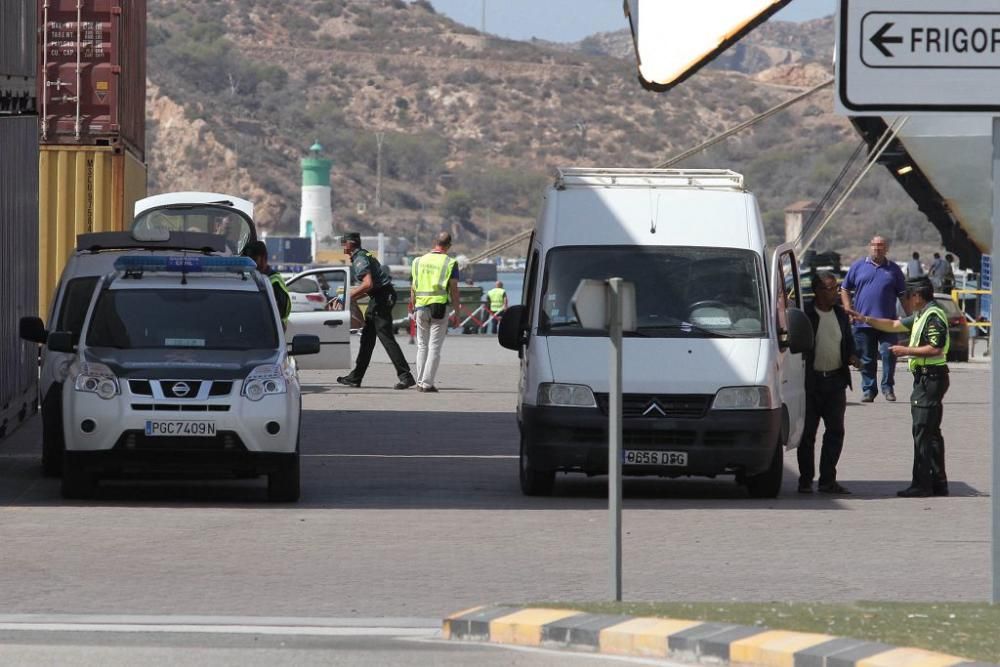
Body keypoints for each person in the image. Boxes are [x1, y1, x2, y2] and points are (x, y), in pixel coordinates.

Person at [846, 276, 950, 497]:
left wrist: (906, 351)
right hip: (927, 377)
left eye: (909, 296)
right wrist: (864, 318)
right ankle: (938, 481)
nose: (907, 302)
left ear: (918, 296)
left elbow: (936, 348)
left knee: (922, 431)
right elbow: (893, 325)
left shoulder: (933, 315)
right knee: (931, 432)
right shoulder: (922, 314)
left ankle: (922, 484)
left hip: (930, 378)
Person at [798, 272, 859, 495]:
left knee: (835, 432)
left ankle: (827, 480)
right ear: (818, 291)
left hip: (835, 382)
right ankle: (805, 480)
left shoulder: (841, 315)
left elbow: (849, 342)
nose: (836, 293)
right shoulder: (804, 314)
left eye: (836, 288)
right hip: (811, 384)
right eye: (831, 289)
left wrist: (853, 356)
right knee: (807, 435)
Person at [337, 233, 416, 390]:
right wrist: (352, 298)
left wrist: (346, 296)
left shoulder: (359, 258)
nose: (342, 247)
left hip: (382, 298)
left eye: (343, 243)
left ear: (349, 245)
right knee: (367, 339)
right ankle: (355, 377)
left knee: (386, 337)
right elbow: (371, 286)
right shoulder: (364, 254)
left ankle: (406, 376)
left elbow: (368, 284)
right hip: (380, 296)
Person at [840, 235, 906, 402]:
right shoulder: (858, 266)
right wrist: (848, 308)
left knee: (888, 353)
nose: (878, 248)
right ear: (870, 247)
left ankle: (887, 387)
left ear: (887, 248)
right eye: (875, 245)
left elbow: (904, 295)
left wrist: (912, 318)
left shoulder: (894, 270)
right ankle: (869, 389)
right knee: (867, 358)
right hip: (862, 322)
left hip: (888, 323)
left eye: (881, 245)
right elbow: (844, 289)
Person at [409, 232, 461, 392]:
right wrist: (457, 312)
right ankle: (427, 383)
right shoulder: (450, 262)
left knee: (422, 345)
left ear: (434, 242)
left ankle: (419, 381)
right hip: (439, 308)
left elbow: (413, 287)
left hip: (421, 308)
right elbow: (453, 289)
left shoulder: (418, 261)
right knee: (434, 347)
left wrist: (413, 306)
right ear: (449, 246)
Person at [247, 241, 291, 328]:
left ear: (263, 258)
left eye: (254, 259)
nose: (251, 264)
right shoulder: (249, 277)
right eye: (248, 260)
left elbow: (279, 312)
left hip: (272, 331)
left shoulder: (275, 281)